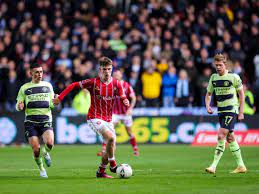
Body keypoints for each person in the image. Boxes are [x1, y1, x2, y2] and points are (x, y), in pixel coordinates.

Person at [53, 57, 129, 178]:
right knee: (110, 138)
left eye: (109, 69)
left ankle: (101, 172)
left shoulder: (117, 84)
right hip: (94, 117)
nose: (107, 72)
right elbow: (73, 85)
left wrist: (125, 101)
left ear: (112, 69)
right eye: (104, 69)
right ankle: (113, 165)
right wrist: (60, 97)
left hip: (108, 119)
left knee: (111, 146)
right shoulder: (93, 82)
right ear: (100, 70)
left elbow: (122, 96)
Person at [205, 53, 247, 174]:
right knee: (230, 137)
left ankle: (213, 166)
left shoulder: (234, 77)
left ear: (225, 65)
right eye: (216, 65)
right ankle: (241, 166)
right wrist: (207, 106)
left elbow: (241, 95)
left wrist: (241, 112)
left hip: (231, 110)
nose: (218, 67)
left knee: (221, 135)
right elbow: (208, 94)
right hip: (221, 111)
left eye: (220, 65)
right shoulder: (213, 78)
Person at [16, 63, 55, 178]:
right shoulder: (24, 88)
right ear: (31, 73)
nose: (39, 74)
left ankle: (46, 152)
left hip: (45, 120)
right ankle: (42, 169)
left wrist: (55, 102)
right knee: (36, 149)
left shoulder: (48, 86)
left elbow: (52, 103)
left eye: (41, 72)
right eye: (37, 72)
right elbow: (18, 104)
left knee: (49, 143)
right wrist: (19, 106)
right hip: (31, 122)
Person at [97, 69, 139, 157]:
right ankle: (104, 150)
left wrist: (130, 108)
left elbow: (133, 98)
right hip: (114, 113)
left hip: (125, 113)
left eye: (118, 74)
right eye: (114, 74)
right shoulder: (109, 85)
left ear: (121, 76)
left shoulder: (126, 85)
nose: (116, 76)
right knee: (108, 131)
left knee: (129, 131)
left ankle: (135, 149)